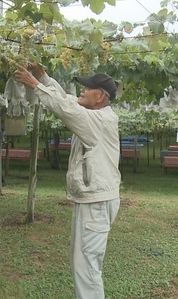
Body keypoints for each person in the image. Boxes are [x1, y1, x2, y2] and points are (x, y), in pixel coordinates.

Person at [15, 62, 120, 299]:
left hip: (96, 205)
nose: (81, 90)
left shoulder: (99, 121)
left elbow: (65, 109)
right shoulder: (94, 112)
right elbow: (66, 100)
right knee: (82, 262)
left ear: (100, 96)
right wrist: (44, 78)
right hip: (94, 201)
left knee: (86, 268)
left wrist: (36, 85)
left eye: (87, 88)